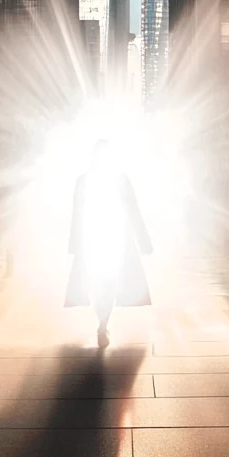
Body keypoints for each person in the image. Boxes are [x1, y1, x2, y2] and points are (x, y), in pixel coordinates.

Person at [66, 141, 152, 347]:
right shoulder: (120, 179)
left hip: (94, 237)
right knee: (108, 282)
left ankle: (102, 323)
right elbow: (133, 210)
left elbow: (77, 212)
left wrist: (74, 242)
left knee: (98, 282)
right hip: (113, 237)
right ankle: (103, 324)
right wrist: (143, 240)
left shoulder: (84, 180)